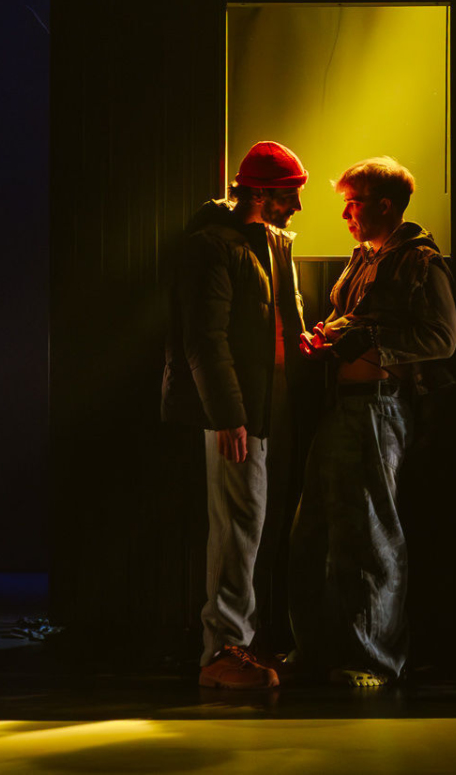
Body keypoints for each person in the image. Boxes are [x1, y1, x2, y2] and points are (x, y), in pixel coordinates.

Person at [287, 155, 456, 688]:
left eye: (353, 204)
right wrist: (333, 334)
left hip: (381, 405)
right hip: (346, 405)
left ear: (385, 205)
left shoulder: (421, 262)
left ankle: (374, 660)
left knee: (370, 533)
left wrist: (373, 344)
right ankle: (316, 650)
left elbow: (443, 339)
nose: (346, 216)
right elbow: (357, 319)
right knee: (315, 532)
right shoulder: (367, 258)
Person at [163, 140, 308, 690]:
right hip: (238, 412)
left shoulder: (265, 244)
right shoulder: (214, 247)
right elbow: (205, 340)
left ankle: (234, 642)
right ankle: (222, 651)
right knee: (237, 526)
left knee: (248, 524)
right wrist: (228, 416)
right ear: (260, 193)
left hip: (263, 405)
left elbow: (268, 326)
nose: (296, 207)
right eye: (289, 196)